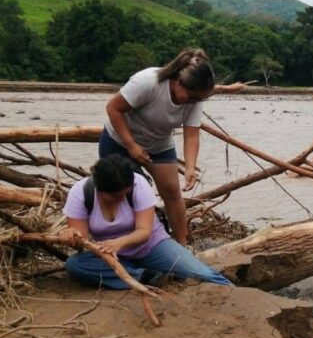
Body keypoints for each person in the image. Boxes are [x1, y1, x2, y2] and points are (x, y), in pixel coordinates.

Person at [101, 47, 246, 245]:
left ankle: (181, 244)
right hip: (119, 141)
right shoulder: (148, 82)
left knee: (172, 192)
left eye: (199, 99)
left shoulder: (195, 99)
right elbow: (113, 108)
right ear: (178, 81)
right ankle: (124, 240)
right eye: (192, 97)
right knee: (128, 190)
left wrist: (189, 168)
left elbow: (192, 135)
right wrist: (132, 145)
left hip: (159, 143)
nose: (194, 102)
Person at [59, 154, 232, 289]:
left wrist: (118, 243)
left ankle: (233, 291)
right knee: (75, 265)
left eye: (125, 194)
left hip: (151, 246)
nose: (121, 199)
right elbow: (81, 240)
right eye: (115, 196)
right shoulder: (80, 193)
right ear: (99, 189)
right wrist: (72, 236)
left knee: (202, 273)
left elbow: (144, 231)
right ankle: (145, 276)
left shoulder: (138, 184)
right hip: (109, 253)